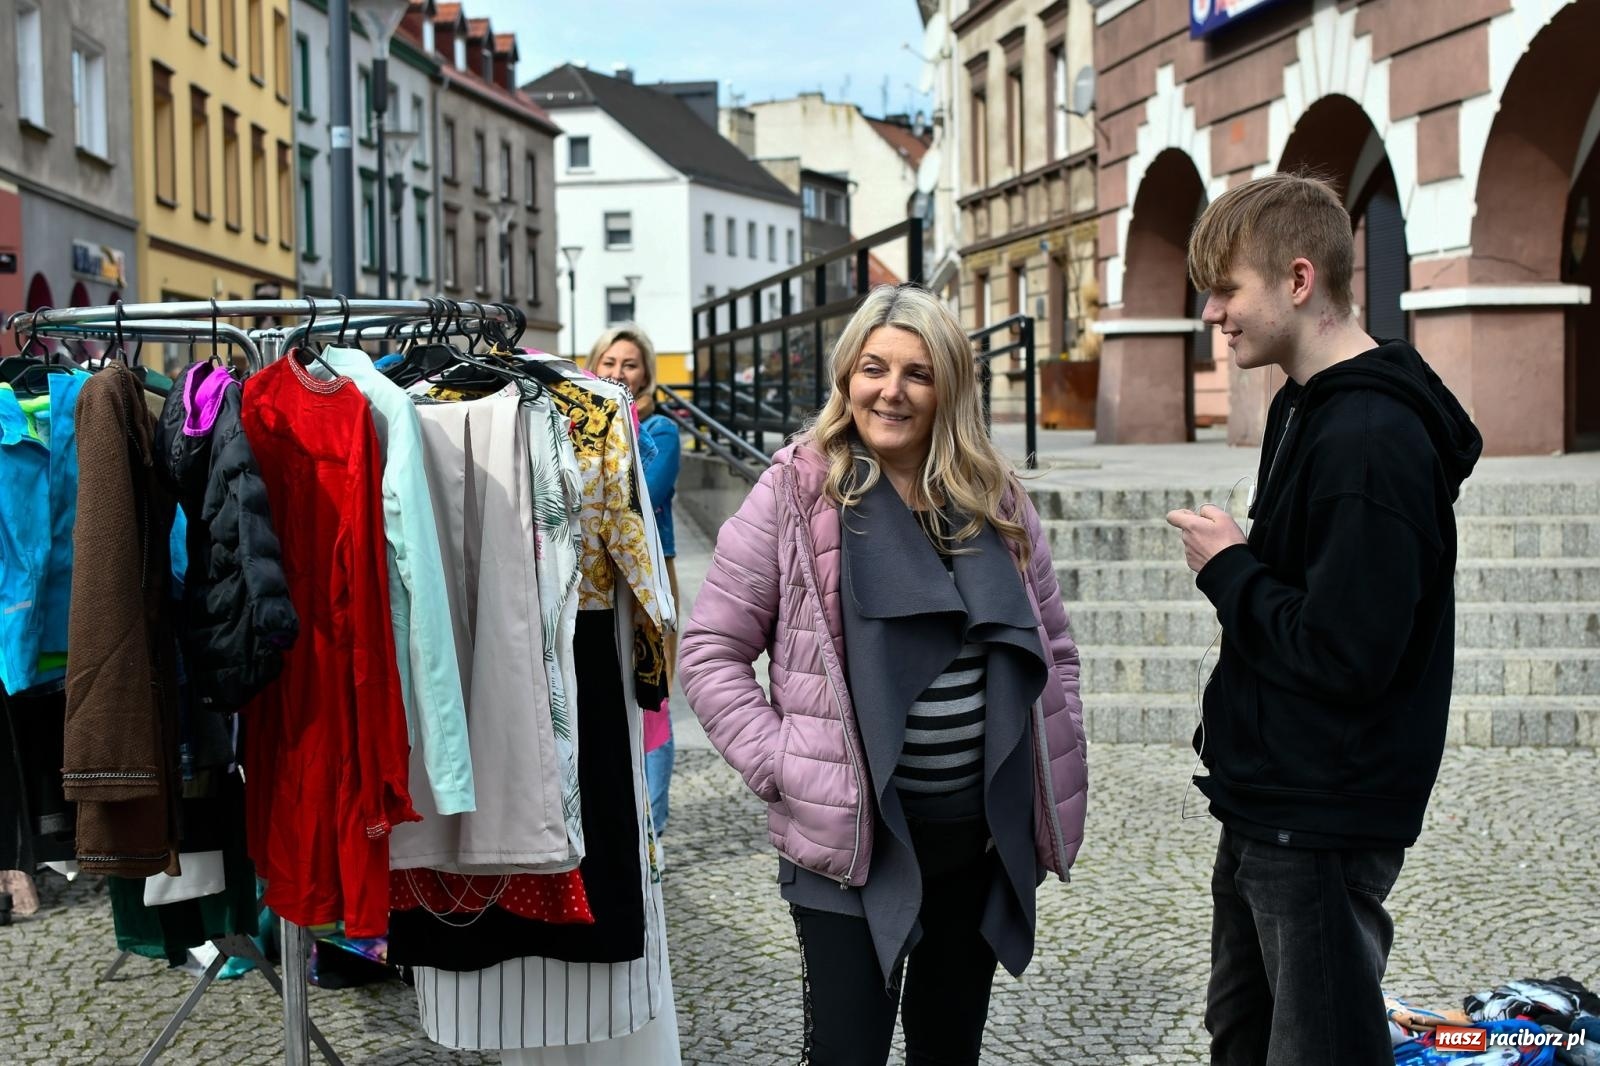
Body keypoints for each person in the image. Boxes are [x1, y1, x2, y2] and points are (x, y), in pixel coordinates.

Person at [679, 284, 1087, 1066]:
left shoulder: (993, 498)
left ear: (949, 390)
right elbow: (709, 651)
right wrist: (784, 765)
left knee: (948, 1052)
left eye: (917, 373)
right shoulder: (796, 493)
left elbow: (1054, 651)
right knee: (847, 1053)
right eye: (873, 368)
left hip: (977, 842)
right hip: (851, 847)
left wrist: (1050, 780)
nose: (891, 391)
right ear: (846, 377)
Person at [1166, 173, 1482, 1066]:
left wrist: (1228, 567)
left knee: (1321, 1048)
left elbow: (1348, 654)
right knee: (1245, 1035)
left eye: (1228, 289)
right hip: (1272, 794)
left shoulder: (1371, 438)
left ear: (1298, 282)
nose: (1214, 314)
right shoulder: (1308, 408)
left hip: (1323, 809)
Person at [588, 324, 680, 841]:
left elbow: (646, 488)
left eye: (629, 364)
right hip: (600, 576)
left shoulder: (660, 429)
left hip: (650, 575)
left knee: (652, 697)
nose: (618, 373)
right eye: (609, 363)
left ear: (645, 372)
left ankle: (653, 825)